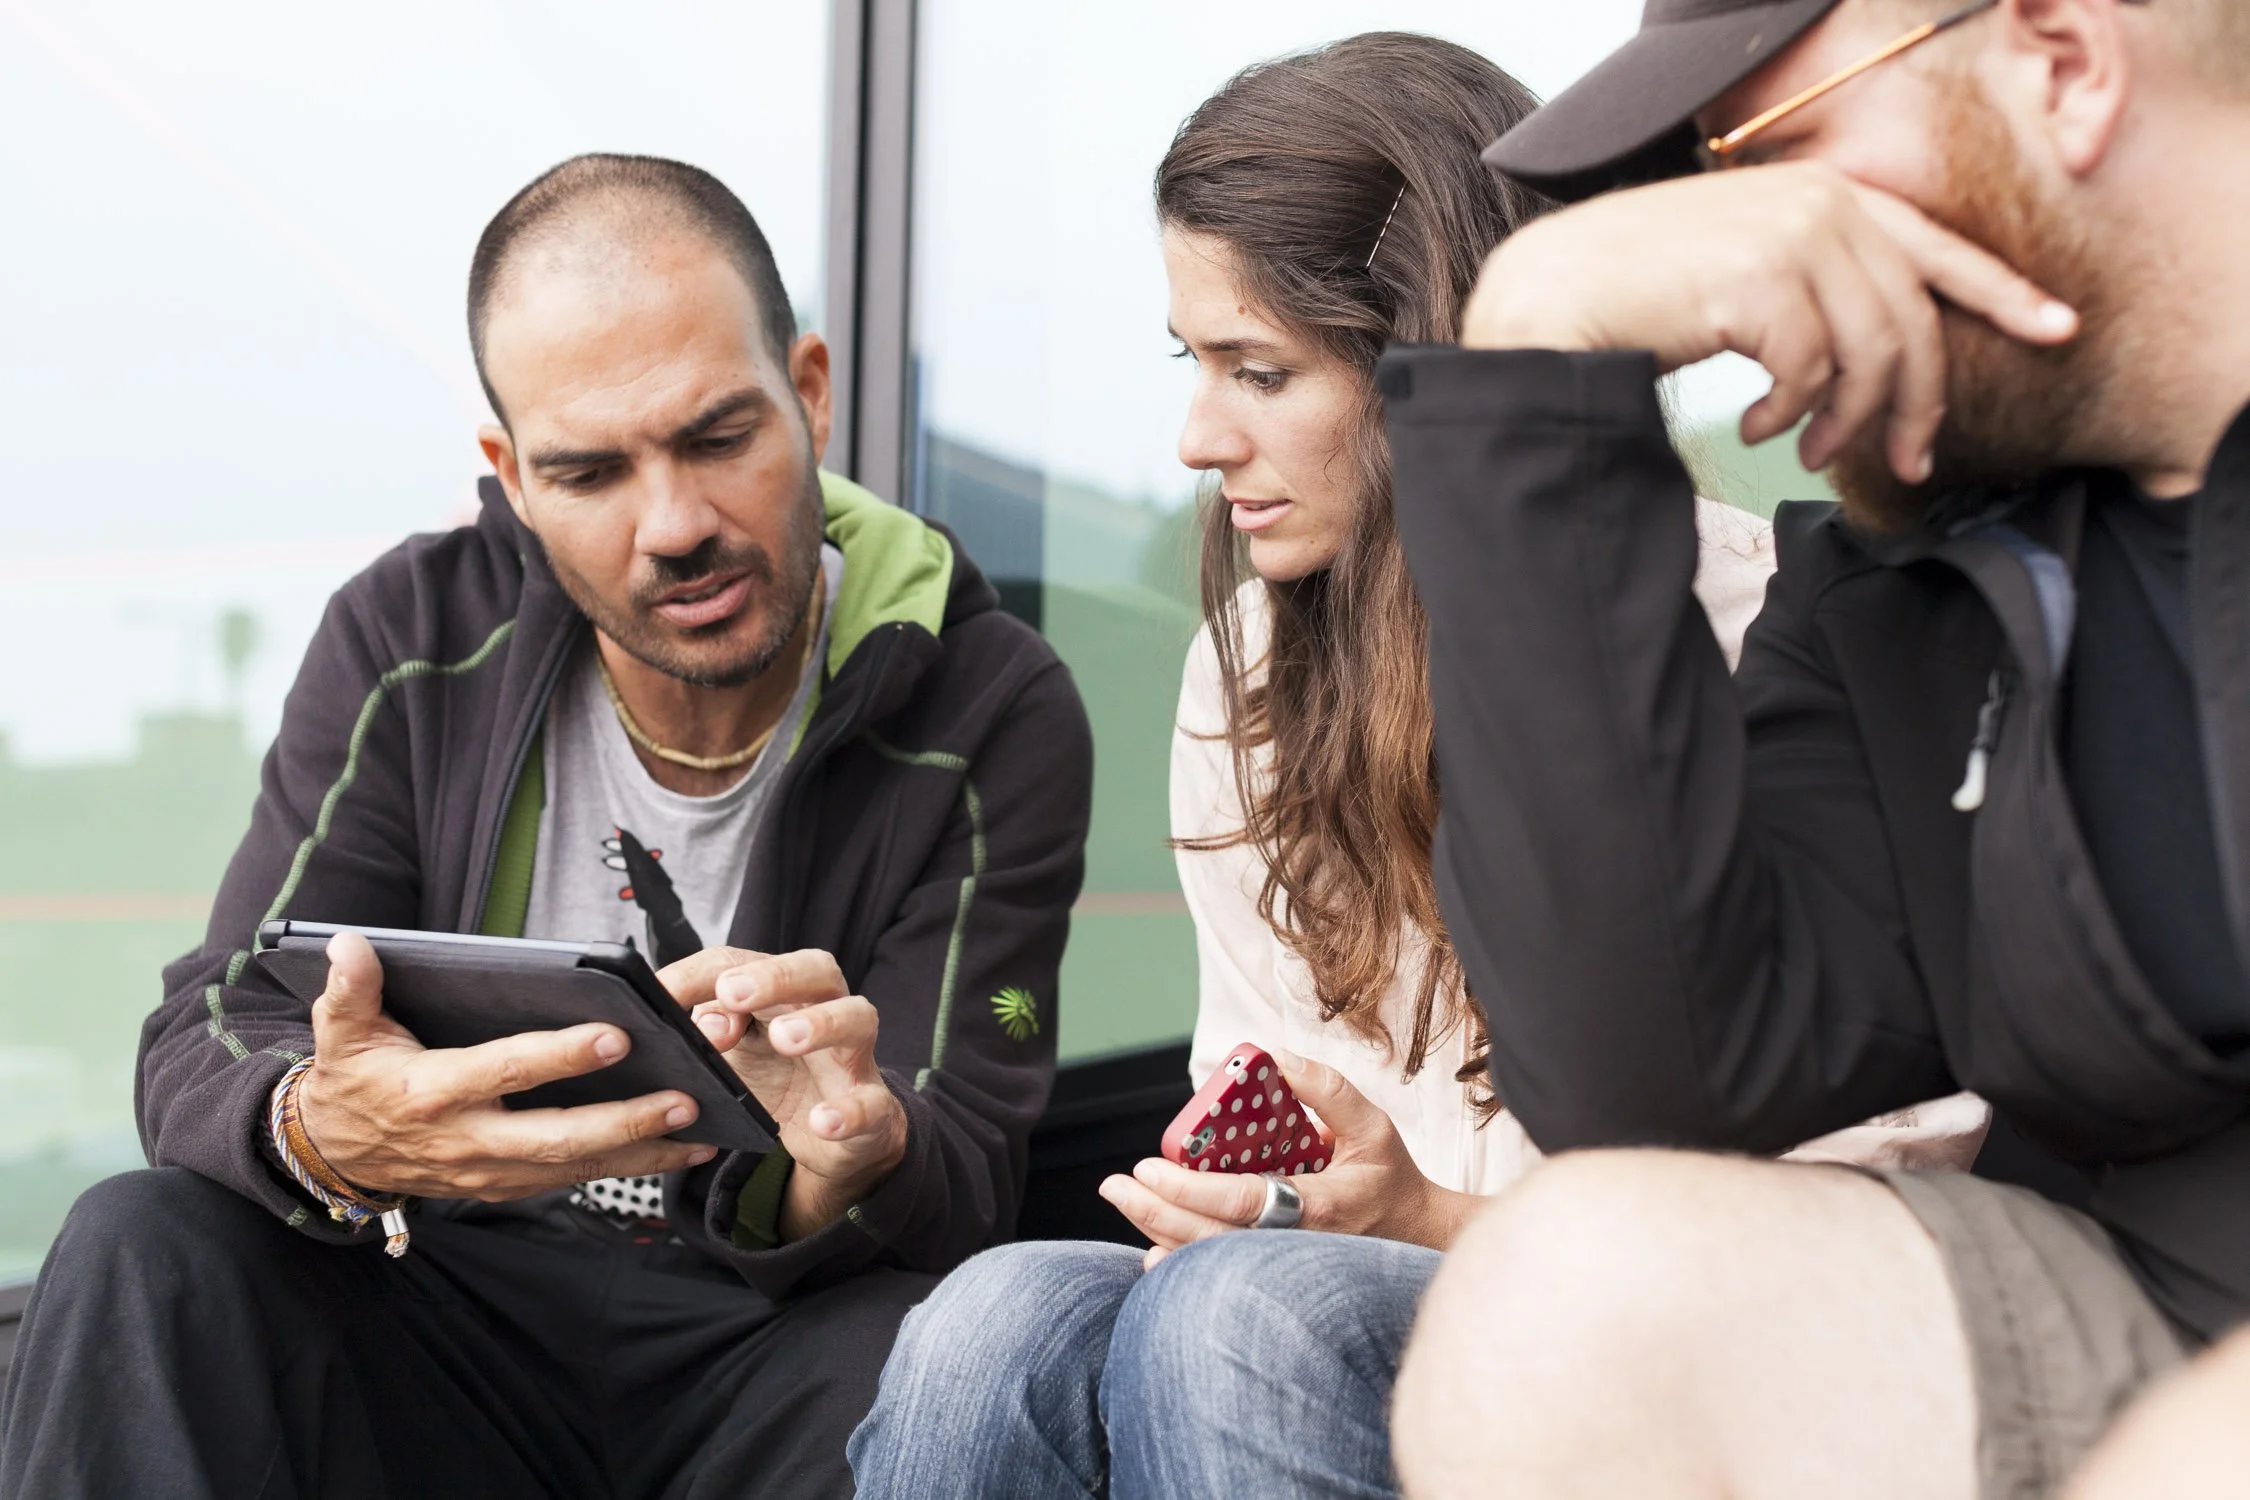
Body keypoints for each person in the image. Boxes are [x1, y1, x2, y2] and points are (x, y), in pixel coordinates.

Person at [848, 33, 1979, 1500]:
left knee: (1239, 1316)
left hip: (1694, 1376)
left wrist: (1434, 1218)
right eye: (1192, 364)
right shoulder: (1247, 672)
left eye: (1258, 371)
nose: (1198, 436)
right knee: (989, 1322)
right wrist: (1262, 1178)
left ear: (1425, 374)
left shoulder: (1763, 641)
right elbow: (1265, 1086)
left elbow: (1862, 1231)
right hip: (1360, 1310)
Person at [0, 154, 1092, 1498]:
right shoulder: (409, 638)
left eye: (716, 437)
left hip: (775, 1338)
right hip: (450, 1306)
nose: (674, 526)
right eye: (590, 473)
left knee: (986, 1348)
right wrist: (326, 1130)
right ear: (511, 476)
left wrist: (848, 1154)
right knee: (142, 1237)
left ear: (808, 393)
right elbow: (215, 1023)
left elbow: (964, 1161)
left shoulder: (987, 700)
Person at [1376, 1, 2250, 1497]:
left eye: (1766, 155)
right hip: (2133, 1320)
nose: (1738, 249)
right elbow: (1647, 1086)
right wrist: (1535, 351)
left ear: (2058, 63)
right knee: (1565, 1300)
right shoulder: (1899, 590)